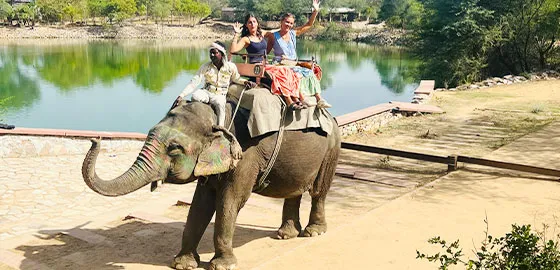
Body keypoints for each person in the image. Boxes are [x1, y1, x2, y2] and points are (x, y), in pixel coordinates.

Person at [230, 14, 307, 111]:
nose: (252, 24)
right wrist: (236, 34)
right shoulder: (246, 39)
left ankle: (295, 98)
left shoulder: (262, 34)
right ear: (246, 25)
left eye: (254, 22)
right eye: (250, 22)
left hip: (266, 63)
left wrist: (268, 50)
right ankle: (289, 101)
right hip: (256, 66)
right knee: (279, 74)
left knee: (287, 71)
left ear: (257, 23)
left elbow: (272, 35)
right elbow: (233, 50)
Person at [172, 41, 257, 126]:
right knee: (195, 96)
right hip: (206, 92)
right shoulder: (206, 66)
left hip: (219, 95)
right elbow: (194, 82)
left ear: (222, 54)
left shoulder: (230, 67)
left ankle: (220, 129)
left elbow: (236, 78)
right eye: (210, 53)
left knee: (220, 105)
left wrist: (245, 82)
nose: (212, 55)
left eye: (214, 53)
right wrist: (181, 95)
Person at [267, 0, 332, 109]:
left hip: (293, 63)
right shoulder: (273, 36)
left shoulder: (293, 34)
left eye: (291, 23)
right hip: (282, 64)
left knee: (309, 72)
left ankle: (319, 99)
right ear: (281, 22)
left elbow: (309, 24)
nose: (289, 25)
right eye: (287, 22)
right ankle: (302, 99)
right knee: (294, 75)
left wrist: (315, 11)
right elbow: (266, 52)